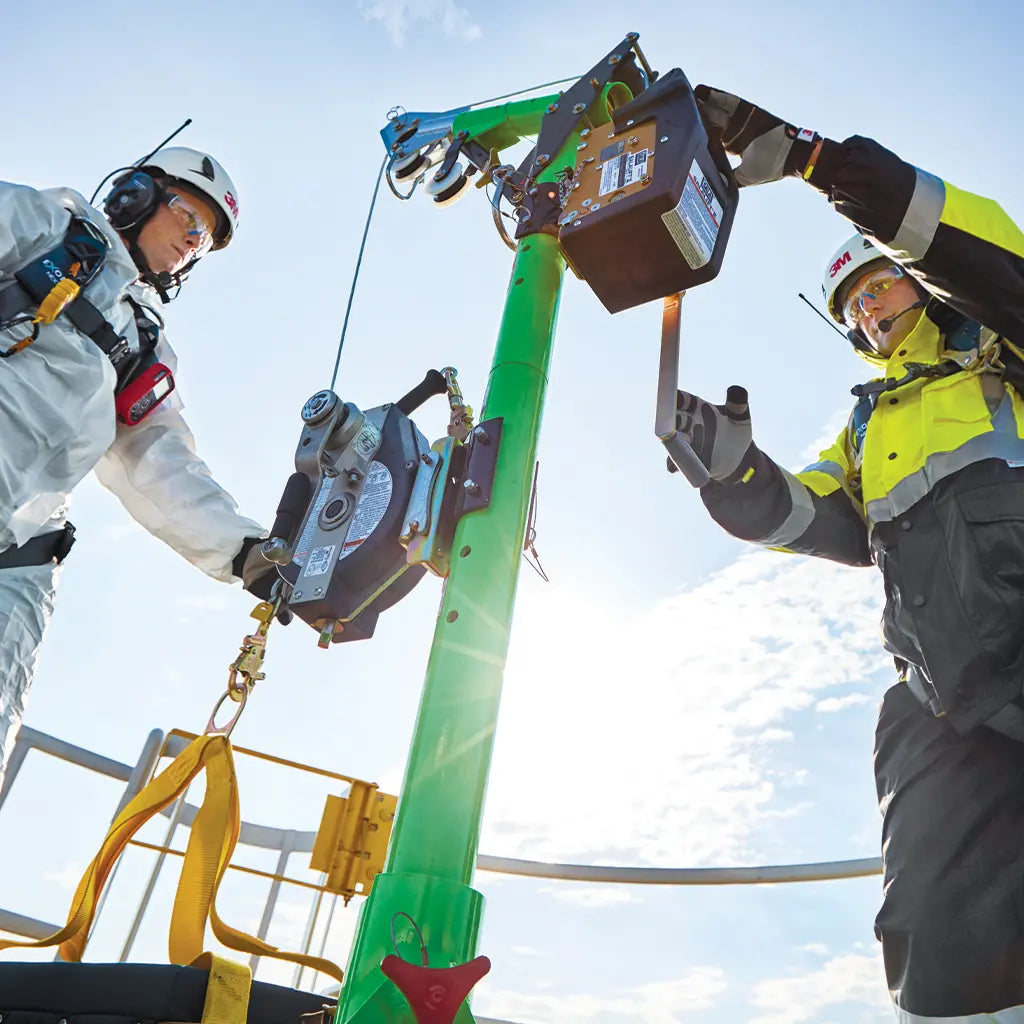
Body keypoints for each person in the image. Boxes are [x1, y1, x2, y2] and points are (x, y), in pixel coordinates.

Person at [677, 86, 1024, 1019]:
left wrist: (818, 162)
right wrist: (731, 476)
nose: (869, 312)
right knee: (936, 930)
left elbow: (972, 245)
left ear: (915, 280)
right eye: (852, 307)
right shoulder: (868, 427)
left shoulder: (1005, 344)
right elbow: (816, 519)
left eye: (878, 286)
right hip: (944, 687)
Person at [0, 147, 274, 784]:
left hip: (18, 553)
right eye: (190, 218)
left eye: (204, 239)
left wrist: (246, 553)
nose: (192, 242)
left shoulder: (142, 344)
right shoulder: (51, 228)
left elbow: (159, 461)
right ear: (135, 197)